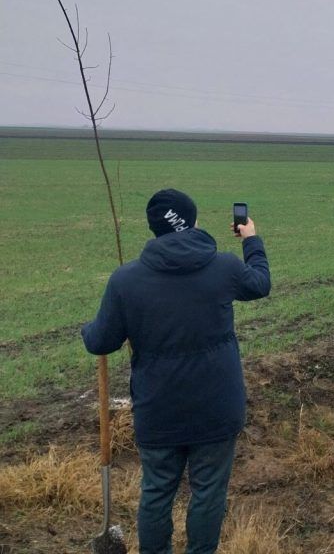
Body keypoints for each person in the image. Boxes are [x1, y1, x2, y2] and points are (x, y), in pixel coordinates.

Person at [82, 189, 271, 554]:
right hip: (217, 407)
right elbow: (260, 283)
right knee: (208, 492)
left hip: (159, 409)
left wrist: (87, 329)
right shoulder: (224, 266)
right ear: (192, 221)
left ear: (155, 229)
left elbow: (100, 342)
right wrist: (252, 240)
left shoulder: (125, 280)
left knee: (156, 492)